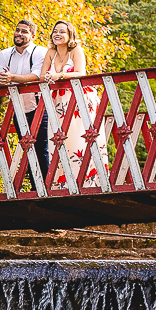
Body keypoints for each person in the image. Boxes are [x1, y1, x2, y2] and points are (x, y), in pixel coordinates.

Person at [41, 20, 106, 187]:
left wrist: (59, 75)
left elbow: (80, 73)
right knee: (60, 138)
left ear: (70, 35)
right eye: (55, 31)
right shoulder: (50, 52)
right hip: (59, 100)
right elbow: (42, 75)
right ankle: (63, 183)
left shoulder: (76, 50)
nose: (58, 34)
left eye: (62, 31)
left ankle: (87, 182)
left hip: (79, 99)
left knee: (80, 138)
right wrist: (49, 77)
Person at [0, 19, 48, 177]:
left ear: (33, 35)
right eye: (18, 30)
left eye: (24, 31)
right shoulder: (5, 54)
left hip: (40, 107)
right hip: (18, 109)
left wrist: (12, 77)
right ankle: (34, 189)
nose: (19, 34)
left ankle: (46, 189)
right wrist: (2, 79)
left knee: (42, 148)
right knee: (27, 148)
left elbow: (37, 76)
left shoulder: (40, 52)